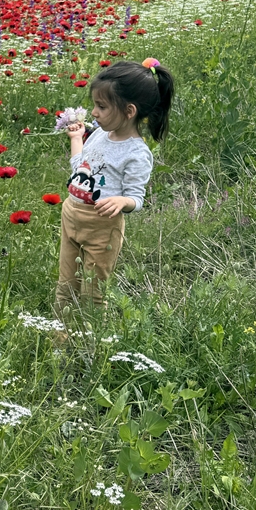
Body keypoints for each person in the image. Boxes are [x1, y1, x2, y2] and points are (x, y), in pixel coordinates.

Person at [54, 58, 175, 318]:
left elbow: (136, 198)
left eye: (101, 106)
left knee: (93, 292)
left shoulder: (136, 153)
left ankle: (90, 345)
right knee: (66, 285)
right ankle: (61, 343)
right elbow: (80, 167)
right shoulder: (98, 134)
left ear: (129, 111)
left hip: (101, 226)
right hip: (71, 215)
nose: (94, 113)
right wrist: (77, 139)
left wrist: (122, 201)